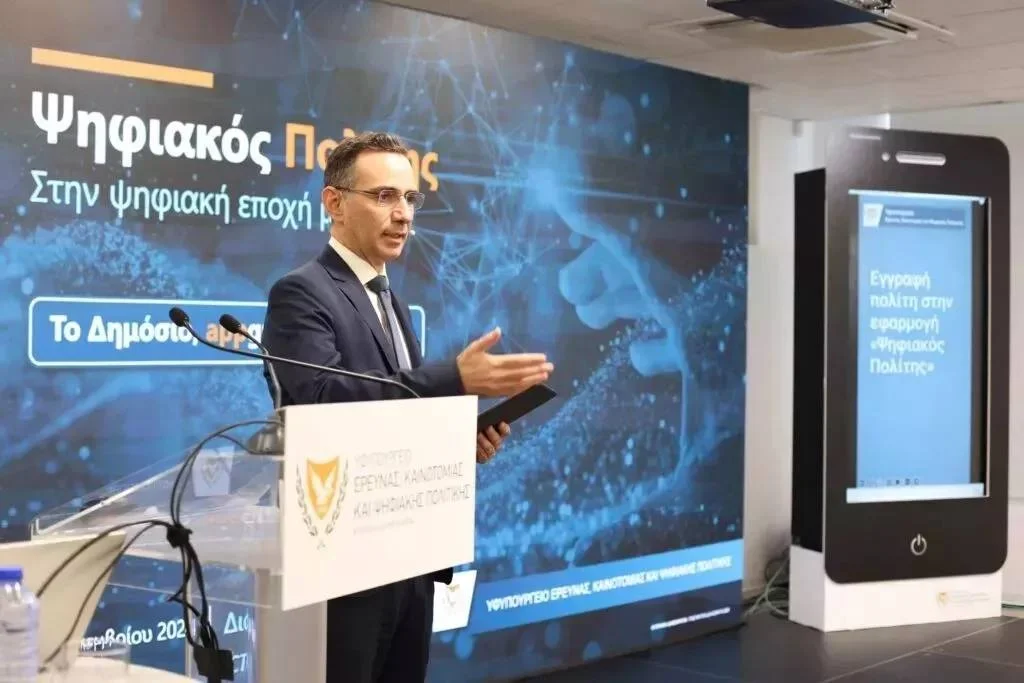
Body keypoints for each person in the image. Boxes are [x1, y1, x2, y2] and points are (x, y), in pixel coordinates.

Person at [260, 131, 554, 682]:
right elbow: (324, 399)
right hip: (343, 566)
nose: (403, 214)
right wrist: (453, 378)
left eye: (410, 198)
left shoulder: (389, 298)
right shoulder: (301, 292)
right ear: (334, 203)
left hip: (409, 558)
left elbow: (396, 416)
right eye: (384, 196)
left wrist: (457, 442)